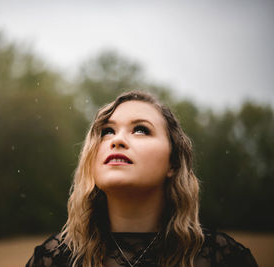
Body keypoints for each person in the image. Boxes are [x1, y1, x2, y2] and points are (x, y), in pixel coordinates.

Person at [26, 91, 258, 267]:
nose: (117, 140)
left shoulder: (222, 258)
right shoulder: (55, 259)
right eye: (107, 131)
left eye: (140, 130)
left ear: (173, 162)